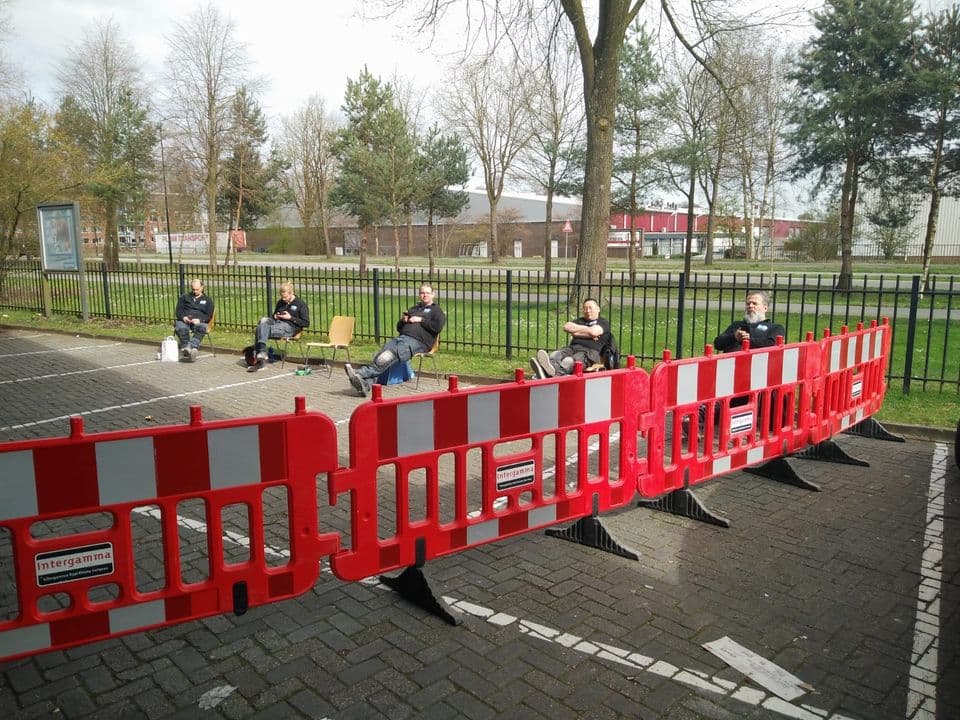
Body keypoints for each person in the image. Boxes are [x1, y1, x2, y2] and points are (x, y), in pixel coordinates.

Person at [345, 282, 445, 396]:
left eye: (427, 293)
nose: (425, 295)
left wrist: (420, 320)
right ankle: (364, 385)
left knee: (387, 356)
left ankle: (359, 373)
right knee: (381, 355)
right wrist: (403, 320)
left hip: (418, 342)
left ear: (433, 294)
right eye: (422, 293)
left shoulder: (437, 311)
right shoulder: (414, 309)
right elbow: (399, 328)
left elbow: (437, 327)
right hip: (402, 338)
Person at [530, 298, 614, 378]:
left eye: (590, 308)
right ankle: (550, 372)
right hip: (573, 348)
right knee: (554, 355)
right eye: (585, 308)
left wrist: (578, 332)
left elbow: (594, 332)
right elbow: (567, 327)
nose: (588, 311)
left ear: (598, 309)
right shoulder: (579, 320)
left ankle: (550, 373)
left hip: (590, 352)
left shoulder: (603, 322)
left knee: (568, 361)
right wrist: (588, 332)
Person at [249, 282, 310, 372]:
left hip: (289, 327)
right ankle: (261, 353)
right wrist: (275, 316)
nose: (283, 299)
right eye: (282, 297)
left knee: (260, 328)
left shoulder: (300, 304)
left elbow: (306, 323)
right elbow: (274, 315)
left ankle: (258, 358)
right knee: (263, 321)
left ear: (291, 293)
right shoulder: (281, 302)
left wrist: (290, 317)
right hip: (277, 323)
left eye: (285, 297)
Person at [713, 290, 784, 352]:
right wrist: (734, 337)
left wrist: (748, 340)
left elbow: (772, 345)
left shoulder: (775, 328)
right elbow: (718, 344)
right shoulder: (737, 325)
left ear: (765, 308)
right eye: (748, 303)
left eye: (754, 303)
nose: (750, 306)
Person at [174, 279, 214, 362]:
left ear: (202, 287)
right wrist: (183, 317)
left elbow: (209, 315)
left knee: (202, 327)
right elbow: (178, 311)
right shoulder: (184, 297)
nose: (195, 291)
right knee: (181, 328)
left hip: (199, 321)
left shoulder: (208, 300)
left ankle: (188, 347)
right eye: (193, 289)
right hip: (185, 320)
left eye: (197, 289)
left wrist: (200, 320)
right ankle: (190, 350)